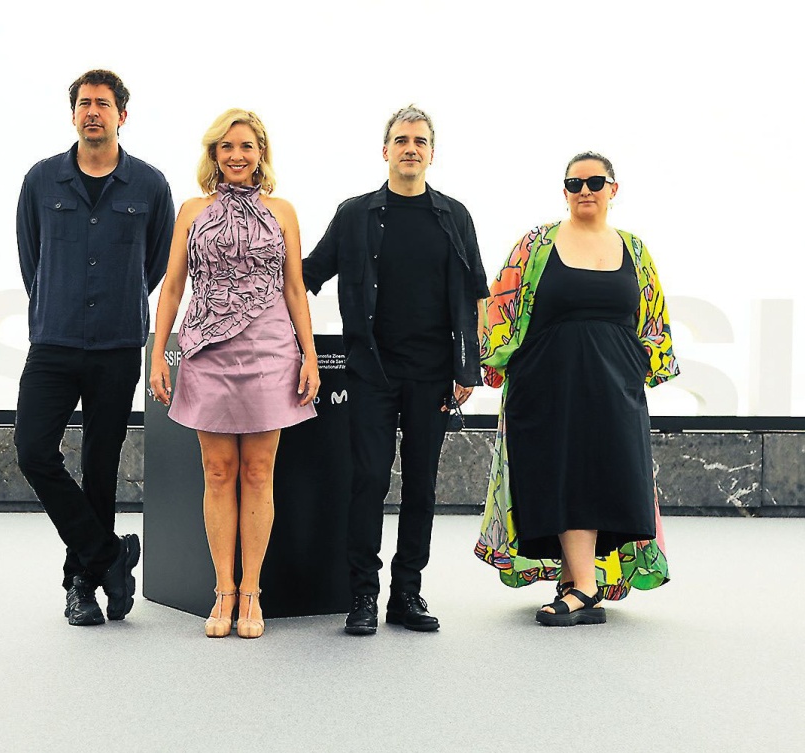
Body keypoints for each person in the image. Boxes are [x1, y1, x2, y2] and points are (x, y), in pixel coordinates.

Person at [302, 106, 489, 635]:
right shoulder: (354, 215)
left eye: (420, 141)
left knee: (422, 487)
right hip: (371, 372)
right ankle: (363, 593)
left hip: (433, 374)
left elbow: (476, 292)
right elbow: (308, 274)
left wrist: (468, 366)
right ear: (385, 150)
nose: (411, 148)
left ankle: (407, 593)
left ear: (432, 153)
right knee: (368, 480)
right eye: (402, 140)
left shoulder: (454, 216)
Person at [475, 151, 679, 626]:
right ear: (564, 191)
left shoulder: (634, 249)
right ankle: (584, 586)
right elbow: (496, 302)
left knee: (601, 477)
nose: (584, 190)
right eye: (574, 183)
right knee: (563, 476)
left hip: (614, 389)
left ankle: (577, 584)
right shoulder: (536, 243)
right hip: (547, 387)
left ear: (613, 189)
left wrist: (639, 364)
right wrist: (504, 361)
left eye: (594, 182)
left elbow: (653, 318)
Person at [148, 109, 319, 639]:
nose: (237, 155)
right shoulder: (192, 210)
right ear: (214, 154)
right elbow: (173, 285)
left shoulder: (283, 211)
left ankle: (251, 593)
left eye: (246, 146)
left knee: (259, 473)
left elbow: (294, 287)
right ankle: (223, 590)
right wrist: (158, 352)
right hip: (206, 350)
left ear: (261, 152)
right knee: (218, 471)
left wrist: (310, 355)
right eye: (226, 147)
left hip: (270, 350)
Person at [15, 69, 175, 627]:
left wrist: (117, 299)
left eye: (103, 104)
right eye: (84, 103)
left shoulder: (149, 185)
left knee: (100, 466)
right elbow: (31, 258)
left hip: (116, 344)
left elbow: (155, 263)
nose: (92, 112)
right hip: (53, 341)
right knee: (33, 451)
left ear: (121, 115)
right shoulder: (41, 180)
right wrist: (56, 300)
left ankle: (82, 584)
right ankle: (109, 555)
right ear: (73, 113)